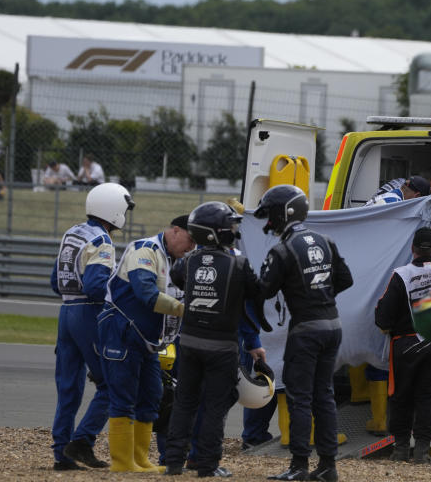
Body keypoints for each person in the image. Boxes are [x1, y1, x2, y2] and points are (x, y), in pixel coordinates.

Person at [255, 185, 353, 481]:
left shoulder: (283, 249)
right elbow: (346, 279)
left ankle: (298, 467)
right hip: (332, 326)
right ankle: (327, 467)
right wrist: (320, 294)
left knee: (300, 398)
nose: (268, 222)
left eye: (271, 215)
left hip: (306, 330)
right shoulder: (326, 240)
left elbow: (263, 289)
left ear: (285, 213)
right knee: (324, 395)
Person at [164, 202, 268, 478]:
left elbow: (176, 278)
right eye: (230, 225)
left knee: (184, 402)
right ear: (216, 231)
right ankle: (207, 465)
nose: (233, 229)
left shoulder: (187, 261)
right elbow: (257, 294)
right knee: (214, 406)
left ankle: (173, 462)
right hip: (222, 347)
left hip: (188, 343)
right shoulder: (238, 262)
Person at [99, 215, 195, 472]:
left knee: (152, 395)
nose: (193, 246)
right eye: (190, 238)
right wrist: (184, 310)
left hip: (148, 340)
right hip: (122, 329)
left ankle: (140, 459)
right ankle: (122, 463)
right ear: (175, 231)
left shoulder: (178, 260)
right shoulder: (145, 249)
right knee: (124, 396)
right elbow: (145, 292)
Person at [49, 182, 134, 471]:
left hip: (66, 312)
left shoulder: (71, 233)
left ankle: (61, 452)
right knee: (111, 385)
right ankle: (82, 441)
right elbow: (97, 286)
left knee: (68, 387)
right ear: (114, 209)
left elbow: (54, 281)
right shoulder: (102, 240)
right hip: (89, 313)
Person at [375, 194, 431, 464]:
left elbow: (384, 318)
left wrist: (383, 323)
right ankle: (422, 449)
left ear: (412, 249)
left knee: (400, 396)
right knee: (428, 396)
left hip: (406, 344)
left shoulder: (401, 275)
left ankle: (400, 448)